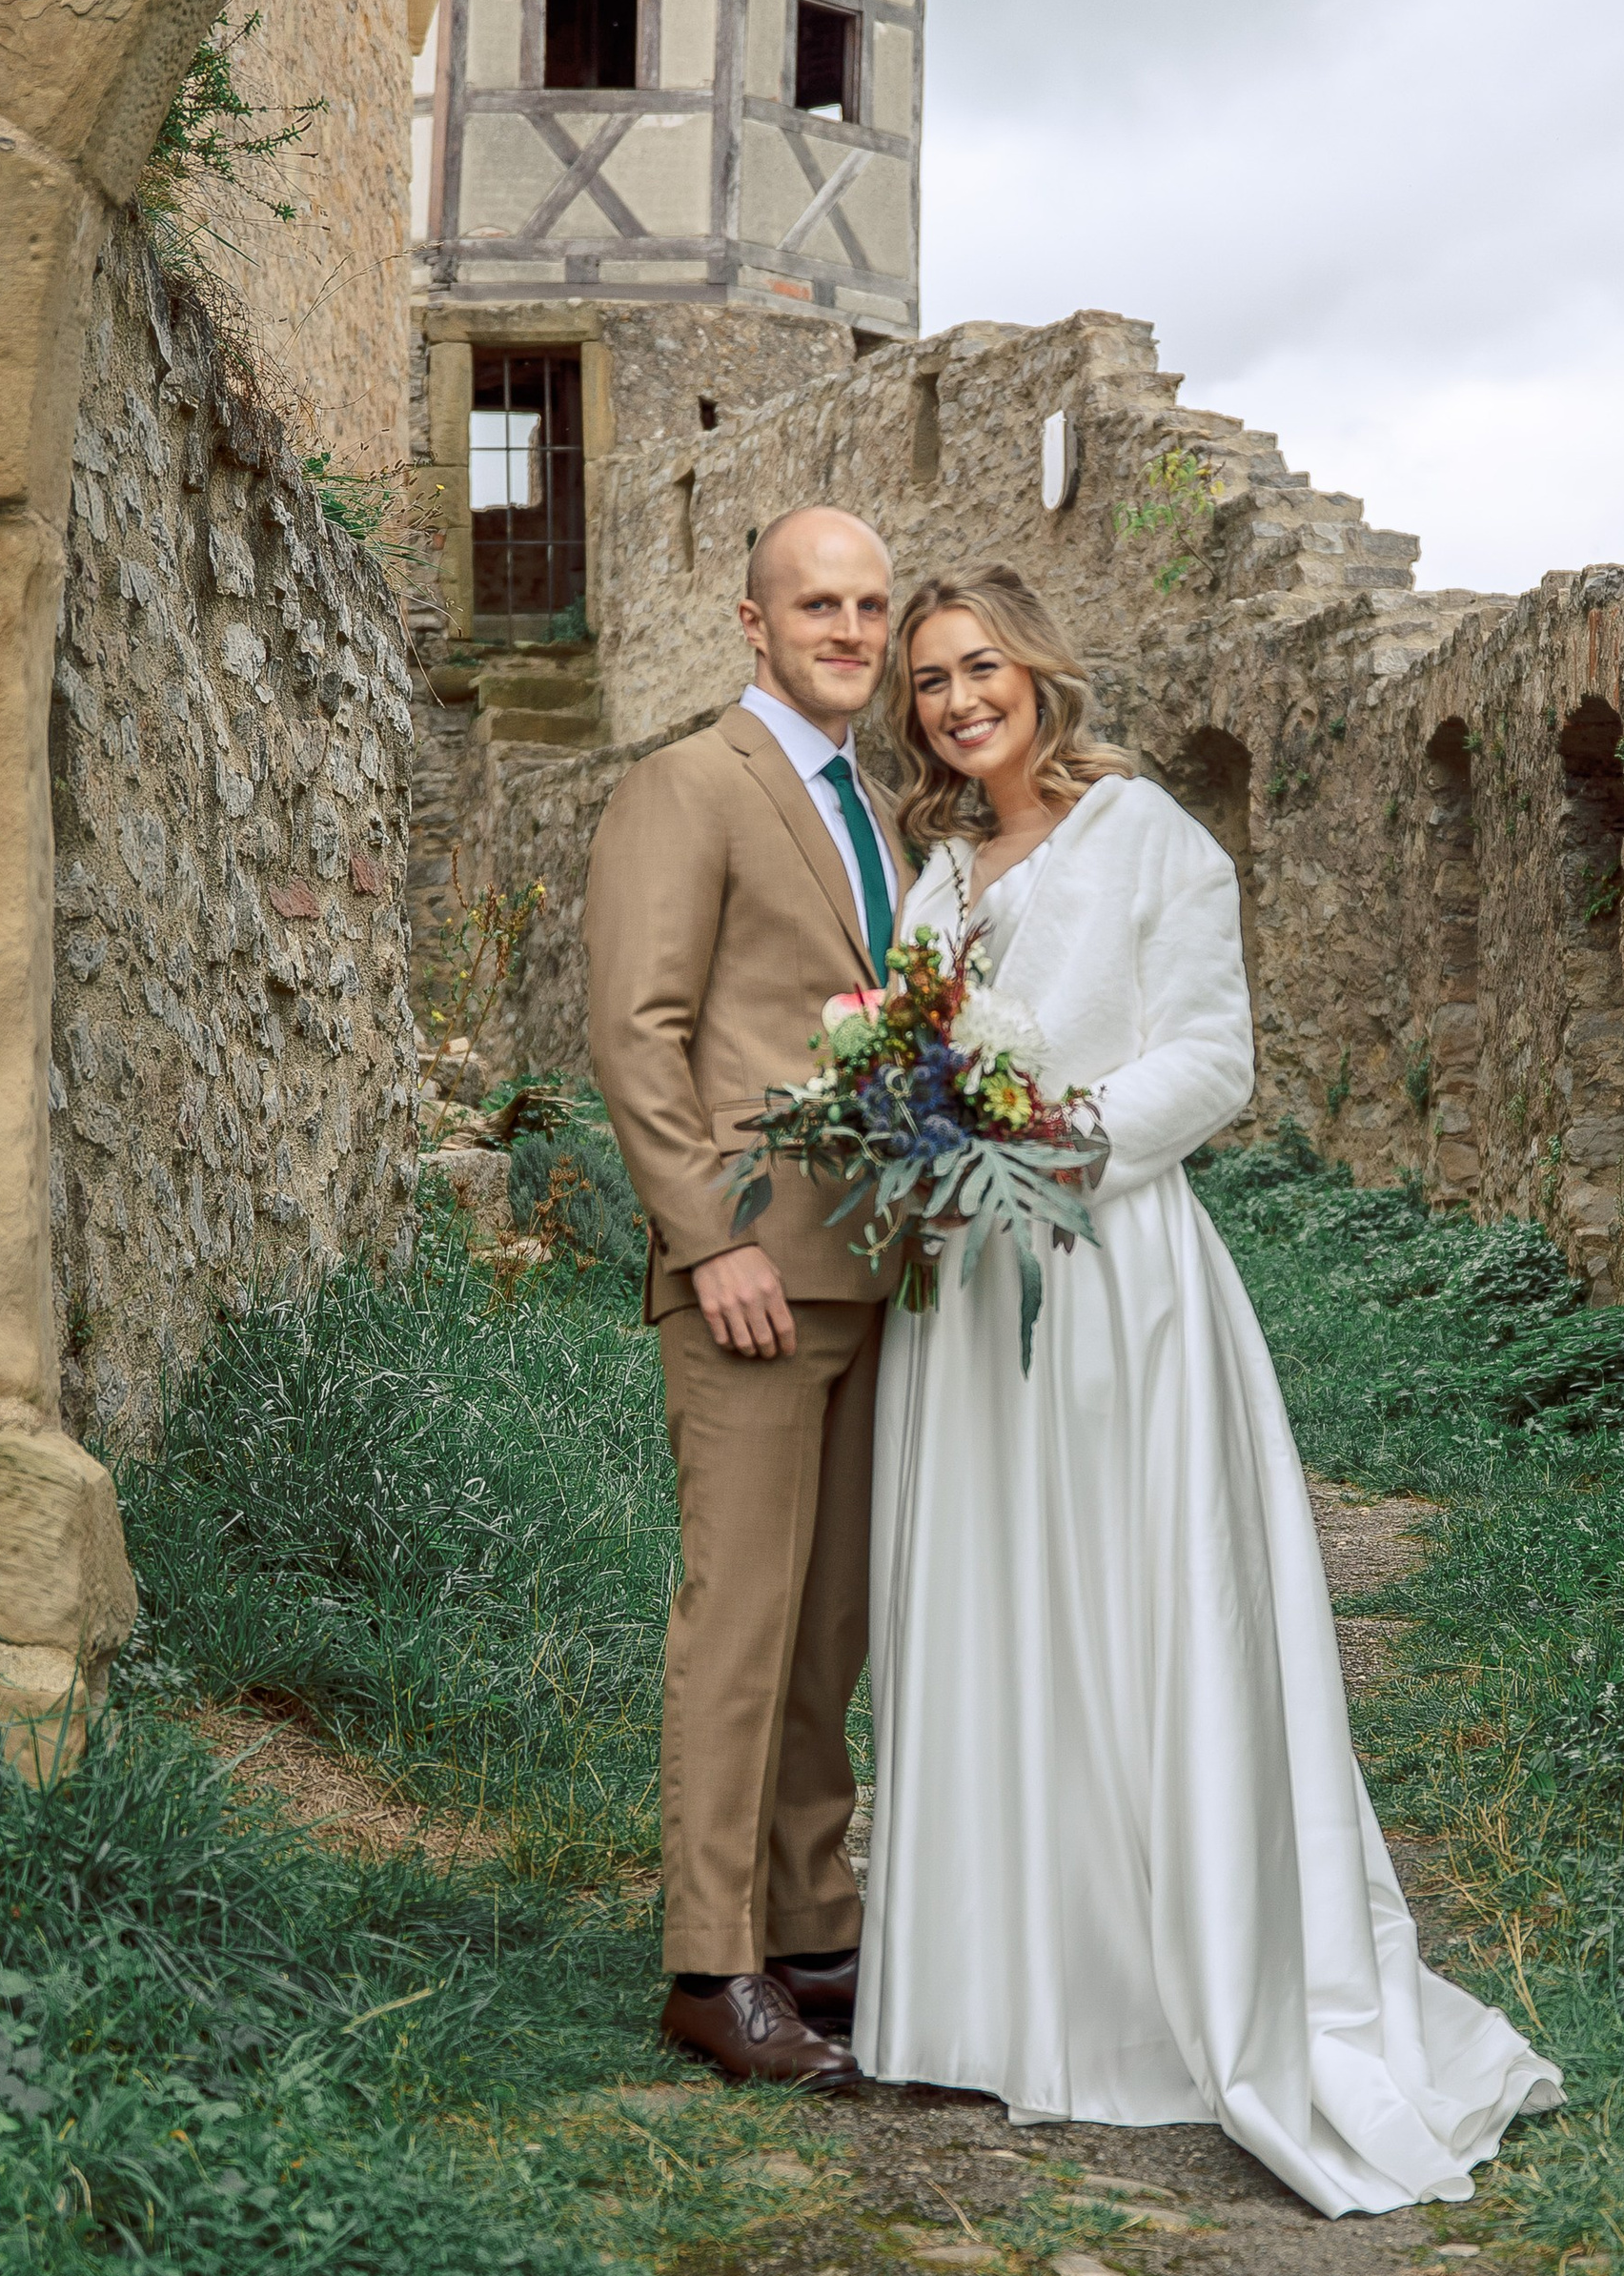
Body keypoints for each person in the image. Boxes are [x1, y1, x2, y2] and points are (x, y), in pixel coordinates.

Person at [854, 565, 1564, 2214]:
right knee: (994, 1612)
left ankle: (1168, 1993)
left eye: (981, 671)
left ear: (1039, 673)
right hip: (964, 1294)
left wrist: (1054, 1141)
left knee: (1137, 1609)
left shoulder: (1150, 837)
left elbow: (1213, 1056)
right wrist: (918, 1141)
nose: (959, 703)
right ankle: (1000, 1989)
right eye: (931, 684)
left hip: (1114, 1276)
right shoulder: (941, 869)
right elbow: (910, 1048)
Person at [583, 505, 906, 2090]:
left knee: (826, 1630)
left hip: (877, 1276)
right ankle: (712, 1967)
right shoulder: (689, 785)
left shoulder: (878, 809)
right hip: (753, 1283)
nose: (847, 629)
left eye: (867, 605)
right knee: (740, 1623)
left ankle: (814, 1927)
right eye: (815, 604)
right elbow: (639, 1030)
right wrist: (712, 1237)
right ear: (750, 622)